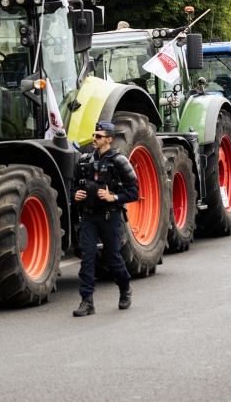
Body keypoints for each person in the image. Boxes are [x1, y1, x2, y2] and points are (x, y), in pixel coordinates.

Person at [72, 121, 138, 317]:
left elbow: (134, 192)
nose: (94, 139)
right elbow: (73, 186)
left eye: (98, 136)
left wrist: (114, 197)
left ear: (109, 139)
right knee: (87, 258)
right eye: (93, 135)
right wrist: (75, 195)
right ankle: (87, 302)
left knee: (112, 257)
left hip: (110, 216)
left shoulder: (119, 161)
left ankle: (125, 288)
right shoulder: (84, 160)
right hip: (89, 217)